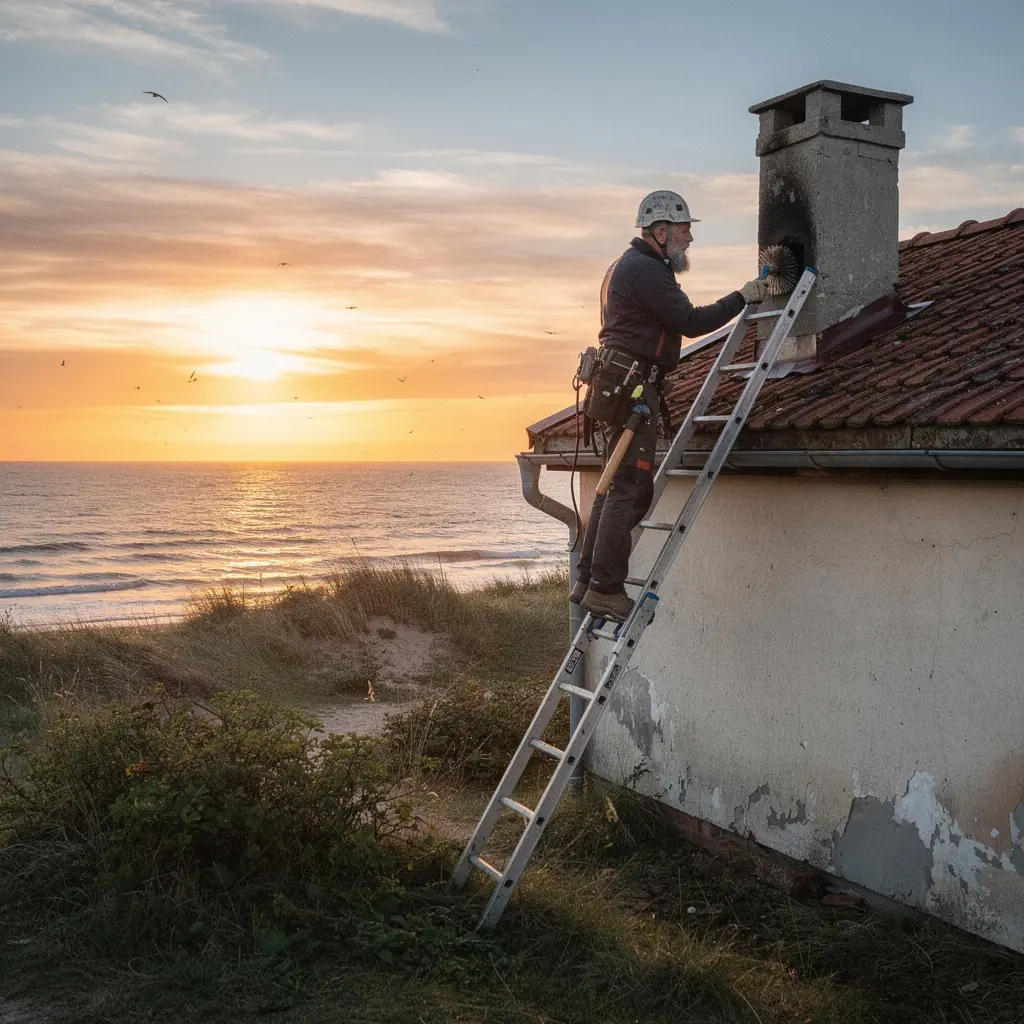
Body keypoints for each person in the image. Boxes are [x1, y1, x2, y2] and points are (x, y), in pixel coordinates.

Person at [574, 190, 768, 621]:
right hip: (630, 393)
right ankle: (604, 589)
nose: (689, 241)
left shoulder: (627, 267)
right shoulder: (646, 271)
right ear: (660, 231)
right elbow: (692, 321)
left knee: (610, 488)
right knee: (629, 490)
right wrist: (744, 297)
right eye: (684, 231)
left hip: (618, 388)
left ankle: (588, 580)